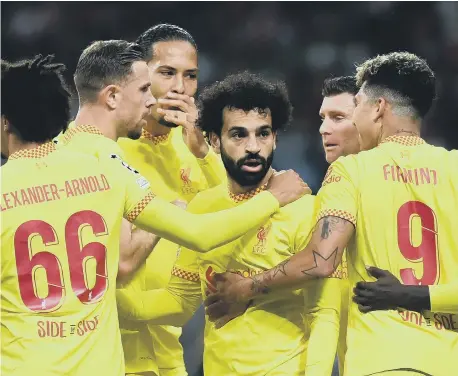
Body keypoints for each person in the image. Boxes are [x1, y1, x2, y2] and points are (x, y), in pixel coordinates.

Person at [0, 52, 308, 375]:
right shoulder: (104, 170)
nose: (153, 101)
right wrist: (272, 198)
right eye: (145, 89)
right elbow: (198, 235)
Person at [205, 52, 458, 376]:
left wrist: (246, 288)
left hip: (383, 359)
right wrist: (419, 295)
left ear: (378, 108)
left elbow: (321, 260)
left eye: (357, 106)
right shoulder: (452, 168)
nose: (353, 120)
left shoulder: (351, 171)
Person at [117, 71, 343, 375]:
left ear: (275, 138)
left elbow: (324, 315)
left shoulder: (307, 209)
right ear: (214, 140)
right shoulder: (205, 206)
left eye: (263, 133)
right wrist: (109, 300)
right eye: (239, 134)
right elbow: (177, 301)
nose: (253, 146)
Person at [117, 24, 225, 376]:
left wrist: (206, 153)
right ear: (139, 74)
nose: (180, 88)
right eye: (167, 73)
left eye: (190, 76)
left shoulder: (198, 149)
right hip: (108, 350)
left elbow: (239, 220)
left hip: (168, 351)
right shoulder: (107, 145)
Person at [319, 75, 359, 375]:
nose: (323, 128)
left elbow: (320, 262)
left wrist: (248, 287)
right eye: (323, 118)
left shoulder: (343, 177)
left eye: (338, 117)